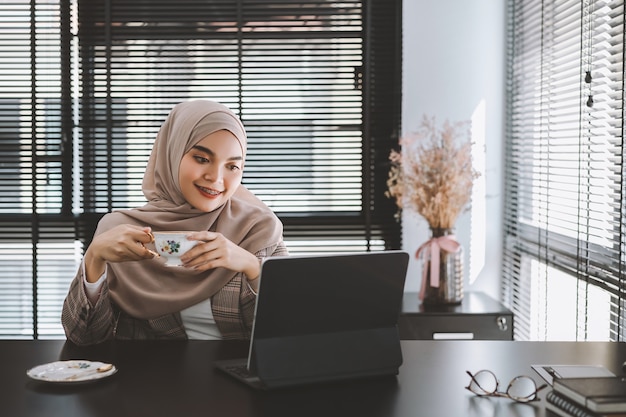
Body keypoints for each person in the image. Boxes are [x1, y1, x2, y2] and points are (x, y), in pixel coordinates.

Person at [62, 100, 288, 345]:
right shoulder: (122, 232)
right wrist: (94, 259)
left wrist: (252, 266)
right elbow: (83, 339)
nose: (216, 178)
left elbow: (290, 330)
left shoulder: (258, 228)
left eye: (232, 166)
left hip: (241, 379)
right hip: (153, 379)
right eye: (202, 159)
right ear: (172, 152)